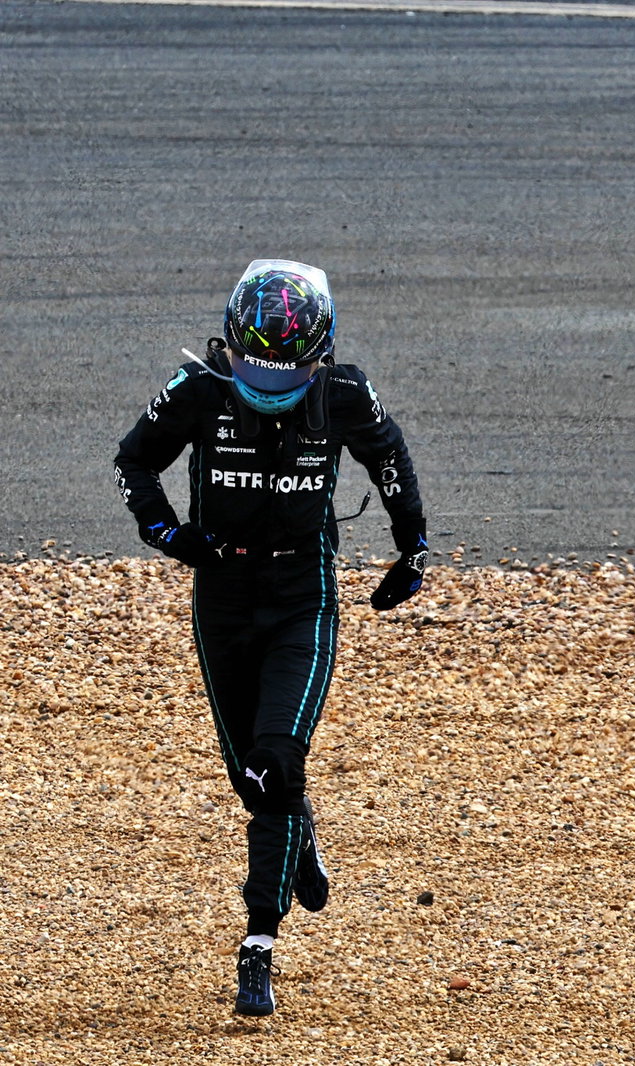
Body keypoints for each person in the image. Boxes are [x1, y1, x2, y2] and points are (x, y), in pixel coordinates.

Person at [113, 259, 428, 1015]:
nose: (269, 383)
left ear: (318, 356)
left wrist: (410, 547)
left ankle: (258, 945)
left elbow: (389, 458)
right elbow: (133, 460)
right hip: (221, 596)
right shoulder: (196, 393)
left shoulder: (344, 393)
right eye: (256, 368)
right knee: (251, 781)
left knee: (275, 766)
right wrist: (164, 532)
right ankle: (298, 833)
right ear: (230, 345)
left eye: (286, 372)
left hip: (302, 598)